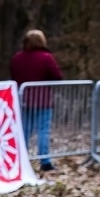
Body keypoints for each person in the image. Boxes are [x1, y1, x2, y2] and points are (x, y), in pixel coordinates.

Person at [10, 29, 64, 171]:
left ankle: (21, 158)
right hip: (42, 100)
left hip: (23, 99)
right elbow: (57, 76)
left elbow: (14, 75)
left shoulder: (17, 58)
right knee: (43, 130)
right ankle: (44, 160)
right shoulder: (46, 57)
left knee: (24, 130)